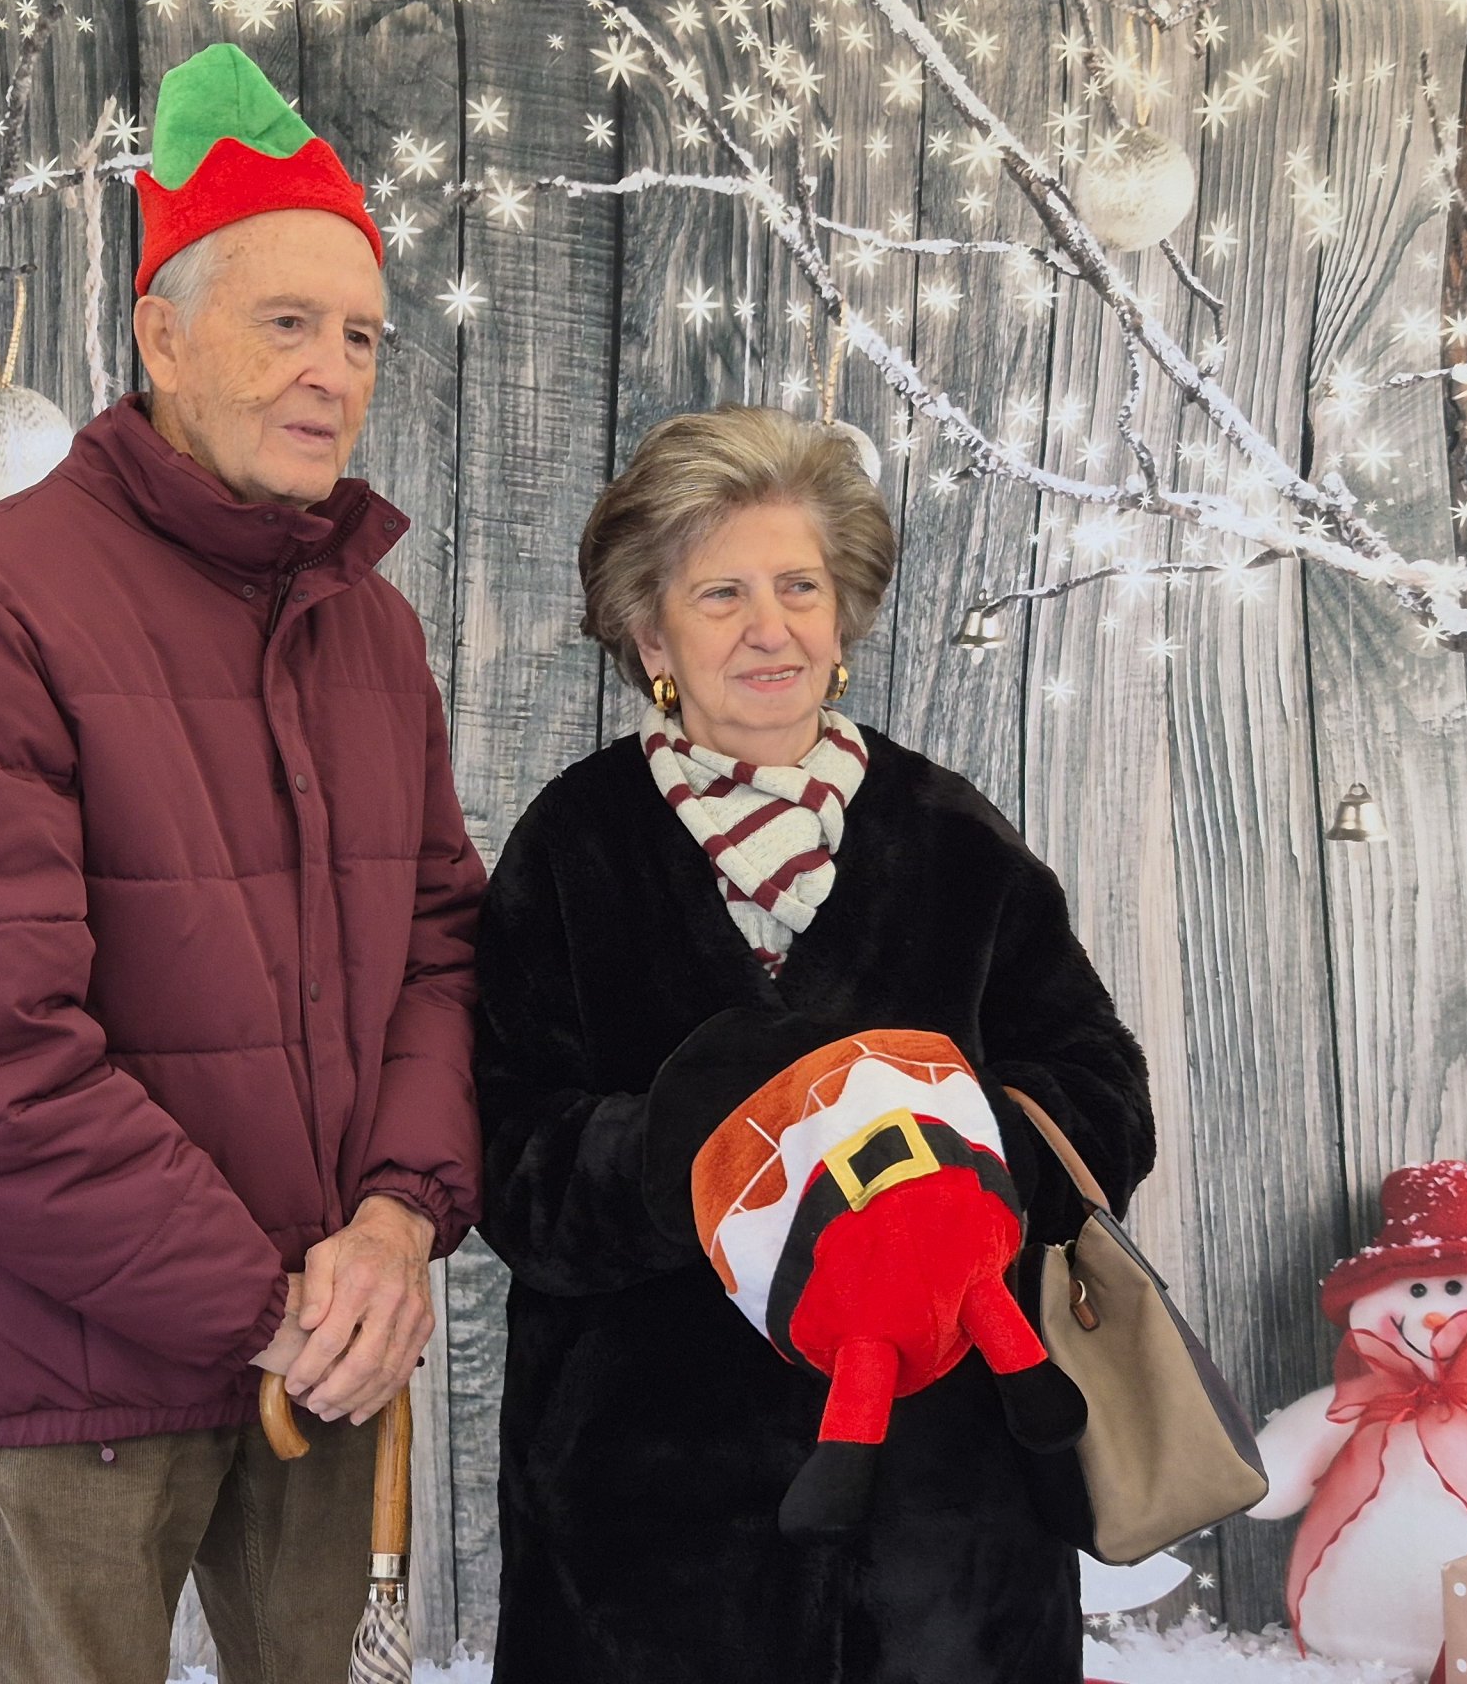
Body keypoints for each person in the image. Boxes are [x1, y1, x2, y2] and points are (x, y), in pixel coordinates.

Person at [0, 42, 483, 1684]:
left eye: (360, 335)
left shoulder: (371, 630)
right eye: (286, 323)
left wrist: (396, 1224)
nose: (333, 371)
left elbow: (440, 953)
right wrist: (266, 1303)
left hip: (325, 1360)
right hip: (80, 1380)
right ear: (162, 336)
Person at [472, 406, 1155, 1682]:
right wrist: (683, 1155)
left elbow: (1101, 1093)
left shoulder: (954, 839)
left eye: (798, 586)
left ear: (842, 620)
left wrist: (955, 1163)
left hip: (947, 1523)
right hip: (646, 1531)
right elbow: (508, 1160)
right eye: (719, 592)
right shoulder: (575, 844)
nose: (768, 626)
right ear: (650, 633)